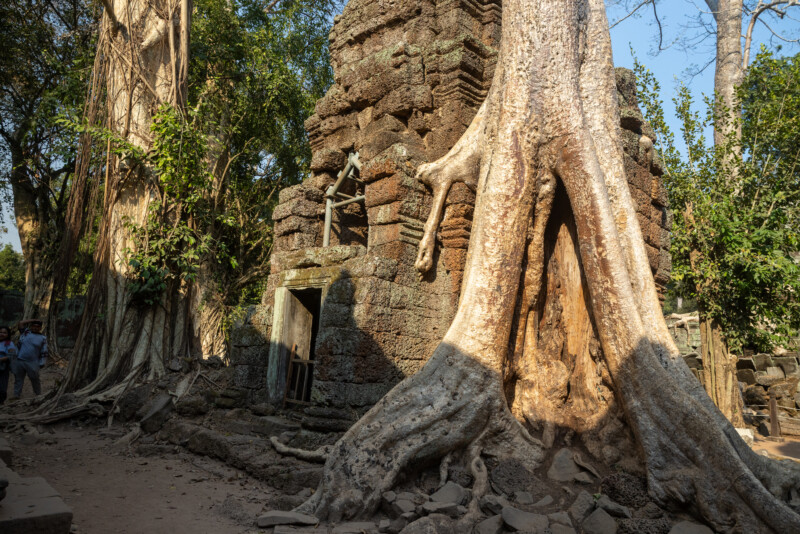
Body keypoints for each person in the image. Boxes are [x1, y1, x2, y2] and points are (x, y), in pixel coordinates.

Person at [10, 319, 48, 399]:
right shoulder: (26, 333)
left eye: (38, 326)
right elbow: (20, 323)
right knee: (18, 379)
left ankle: (38, 395)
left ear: (40, 328)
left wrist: (42, 363)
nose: (35, 328)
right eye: (33, 326)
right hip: (20, 360)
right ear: (31, 326)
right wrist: (33, 319)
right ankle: (16, 395)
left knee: (35, 379)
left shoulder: (43, 338)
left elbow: (44, 351)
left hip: (33, 362)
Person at [0, 326, 15, 404]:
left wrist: (1, 359)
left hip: (3, 366)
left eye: (4, 333)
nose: (2, 334)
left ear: (8, 334)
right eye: (0, 332)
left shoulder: (9, 343)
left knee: (2, 385)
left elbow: (11, 355)